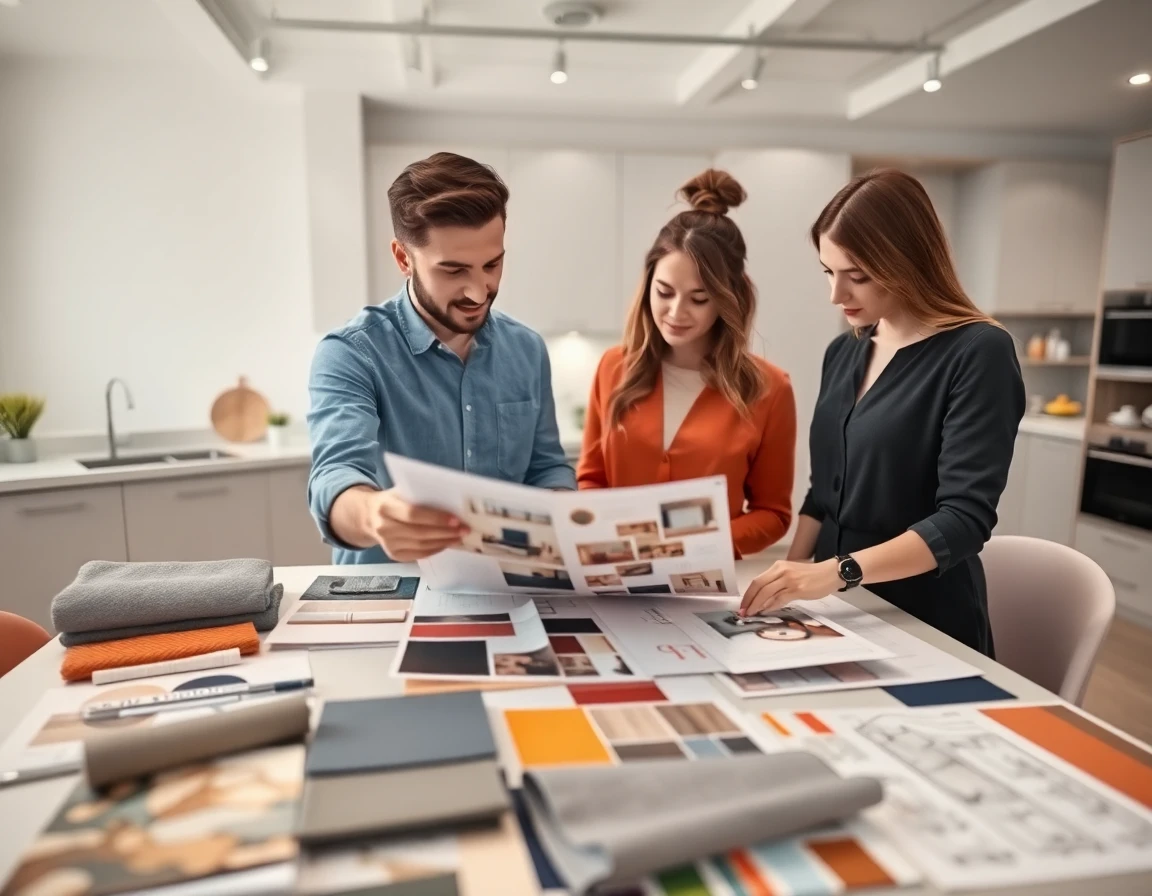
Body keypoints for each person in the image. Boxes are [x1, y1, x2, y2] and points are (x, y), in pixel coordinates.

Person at [740, 169, 1025, 656]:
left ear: (907, 261)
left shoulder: (979, 352)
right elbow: (823, 495)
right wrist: (789, 578)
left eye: (858, 276)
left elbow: (963, 520)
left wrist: (835, 572)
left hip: (924, 619)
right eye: (828, 272)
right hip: (836, 613)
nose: (836, 295)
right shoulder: (844, 351)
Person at [307, 152, 575, 564]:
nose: (479, 291)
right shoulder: (351, 353)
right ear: (403, 258)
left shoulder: (527, 349)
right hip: (394, 590)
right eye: (453, 271)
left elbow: (545, 467)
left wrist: (564, 511)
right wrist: (373, 514)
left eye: (492, 264)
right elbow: (335, 477)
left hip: (506, 584)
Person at [577, 170, 797, 558]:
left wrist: (694, 544)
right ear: (648, 284)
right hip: (616, 574)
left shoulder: (770, 389)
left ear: (729, 299)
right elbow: (591, 479)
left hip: (705, 579)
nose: (676, 313)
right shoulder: (613, 367)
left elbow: (773, 514)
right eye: (664, 292)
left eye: (699, 299)